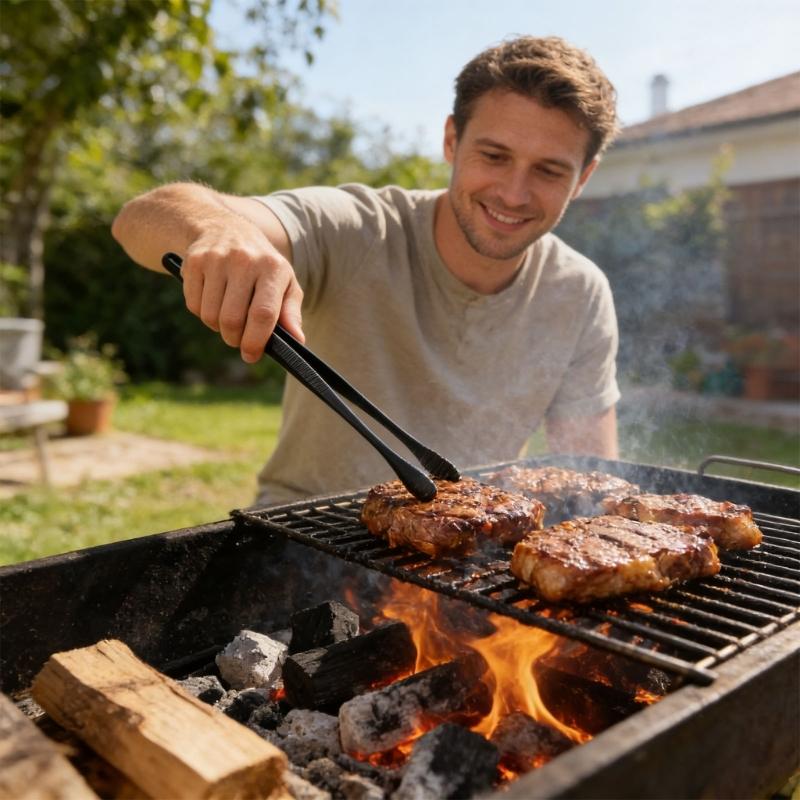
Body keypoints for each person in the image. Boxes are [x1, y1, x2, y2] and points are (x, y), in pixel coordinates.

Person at [112, 35, 621, 506]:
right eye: (494, 155)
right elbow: (141, 219)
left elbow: (588, 478)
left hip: (471, 560)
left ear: (584, 178)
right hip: (301, 543)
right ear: (451, 141)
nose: (513, 193)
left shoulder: (578, 293)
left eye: (549, 170)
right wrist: (219, 232)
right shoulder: (359, 230)